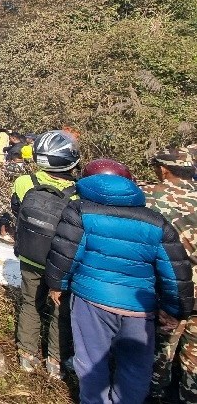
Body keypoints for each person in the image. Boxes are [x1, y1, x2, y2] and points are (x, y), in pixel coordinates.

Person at [46, 159, 194, 404]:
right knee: (135, 369)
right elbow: (175, 270)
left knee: (92, 362)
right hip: (139, 308)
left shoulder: (80, 211)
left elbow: (65, 253)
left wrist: (56, 284)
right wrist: (176, 309)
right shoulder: (156, 221)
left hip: (91, 301)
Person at [11, 130, 80, 377]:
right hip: (62, 263)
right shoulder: (78, 192)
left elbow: (17, 211)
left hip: (30, 256)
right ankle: (55, 361)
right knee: (61, 311)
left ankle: (27, 356)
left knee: (30, 303)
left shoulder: (24, 182)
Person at [145, 148, 197, 402]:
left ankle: (153, 395)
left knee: (158, 350)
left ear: (164, 170)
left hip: (169, 289)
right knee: (194, 360)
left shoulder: (152, 198)